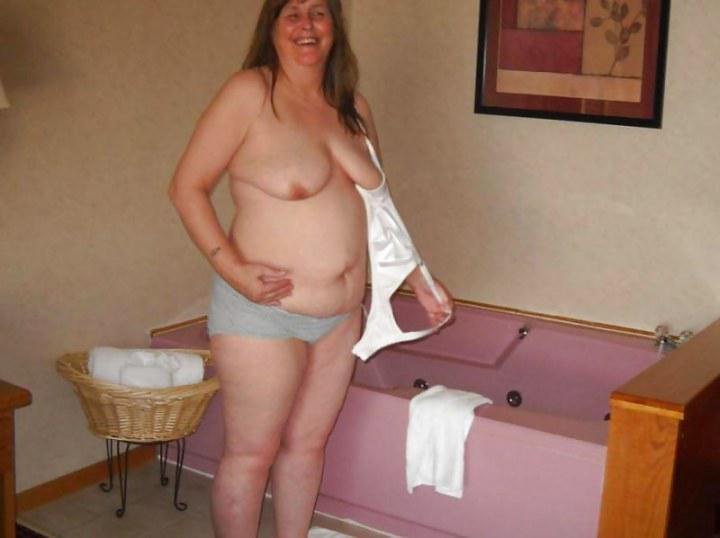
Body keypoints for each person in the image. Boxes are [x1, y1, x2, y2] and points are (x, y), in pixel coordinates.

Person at [168, 1, 453, 536]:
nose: (306, 25)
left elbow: (380, 210)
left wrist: (418, 278)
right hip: (264, 315)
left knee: (307, 446)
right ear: (272, 26)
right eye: (292, 13)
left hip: (341, 317)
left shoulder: (353, 107)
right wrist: (234, 271)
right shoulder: (250, 93)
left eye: (318, 12)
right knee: (251, 454)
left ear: (334, 26)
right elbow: (187, 187)